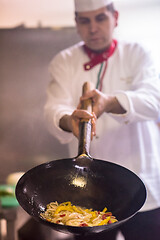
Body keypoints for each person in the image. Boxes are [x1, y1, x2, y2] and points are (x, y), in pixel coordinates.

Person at [44, 0, 160, 239]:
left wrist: (110, 102)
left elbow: (154, 99)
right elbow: (53, 109)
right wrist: (68, 120)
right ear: (76, 23)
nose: (93, 28)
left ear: (115, 18)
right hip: (89, 191)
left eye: (100, 18)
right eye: (85, 21)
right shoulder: (63, 61)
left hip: (144, 184)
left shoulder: (138, 52)